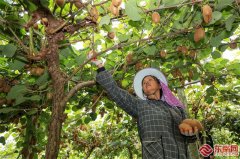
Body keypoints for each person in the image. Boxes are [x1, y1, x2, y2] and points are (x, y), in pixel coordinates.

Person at [88, 53, 203, 159]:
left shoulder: (177, 109)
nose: (146, 82)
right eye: (144, 83)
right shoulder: (140, 105)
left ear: (159, 85)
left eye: (150, 79)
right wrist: (99, 65)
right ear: (143, 90)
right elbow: (114, 91)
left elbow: (189, 137)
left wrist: (191, 134)